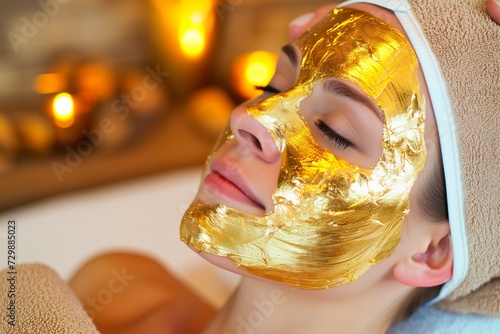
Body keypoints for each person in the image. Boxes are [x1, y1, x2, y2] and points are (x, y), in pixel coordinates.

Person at [69, 1, 499, 333]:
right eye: (272, 86)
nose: (248, 118)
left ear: (432, 252)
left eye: (334, 131)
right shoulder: (112, 288)